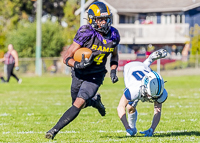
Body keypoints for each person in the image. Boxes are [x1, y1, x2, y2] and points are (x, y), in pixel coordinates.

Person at [45, 1, 120, 140]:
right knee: (78, 102)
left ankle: (53, 130)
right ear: (92, 20)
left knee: (78, 103)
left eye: (106, 18)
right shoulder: (86, 32)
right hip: (79, 73)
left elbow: (114, 55)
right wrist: (77, 64)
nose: (104, 22)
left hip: (95, 75)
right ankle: (95, 102)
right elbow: (66, 57)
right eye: (100, 19)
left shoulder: (114, 35)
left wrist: (113, 70)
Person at [117, 49, 168, 137]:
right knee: (130, 106)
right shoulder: (134, 90)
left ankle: (150, 59)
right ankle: (132, 129)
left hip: (144, 68)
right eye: (150, 95)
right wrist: (127, 128)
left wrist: (152, 129)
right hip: (130, 68)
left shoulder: (160, 91)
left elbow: (157, 110)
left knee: (144, 67)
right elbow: (120, 107)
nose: (151, 98)